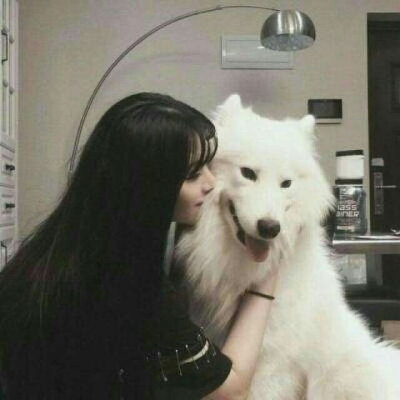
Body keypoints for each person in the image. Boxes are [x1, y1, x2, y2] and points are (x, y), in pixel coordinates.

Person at [0, 92, 278, 399]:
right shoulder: (131, 281)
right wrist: (264, 281)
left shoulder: (58, 246)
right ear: (149, 186)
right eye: (193, 174)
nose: (211, 183)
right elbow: (232, 391)